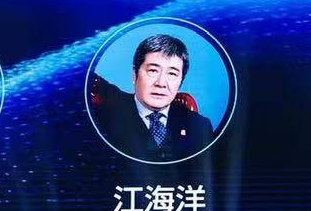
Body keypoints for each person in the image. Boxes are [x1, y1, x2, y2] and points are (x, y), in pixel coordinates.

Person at [89, 33, 218, 162]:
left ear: (181, 81)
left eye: (172, 73)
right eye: (153, 71)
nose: (161, 83)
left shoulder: (200, 126)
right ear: (134, 74)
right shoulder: (101, 120)